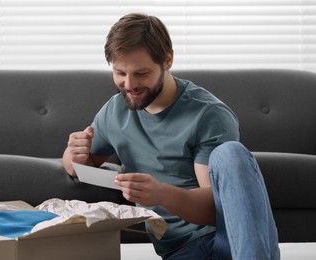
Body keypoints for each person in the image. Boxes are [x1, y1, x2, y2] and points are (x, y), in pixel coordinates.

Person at [62, 13, 280, 260]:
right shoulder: (115, 110)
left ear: (167, 60)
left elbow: (219, 211)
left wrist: (162, 194)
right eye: (120, 73)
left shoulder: (208, 113)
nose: (129, 84)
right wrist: (72, 154)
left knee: (231, 153)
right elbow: (81, 166)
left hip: (230, 240)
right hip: (182, 251)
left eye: (141, 73)